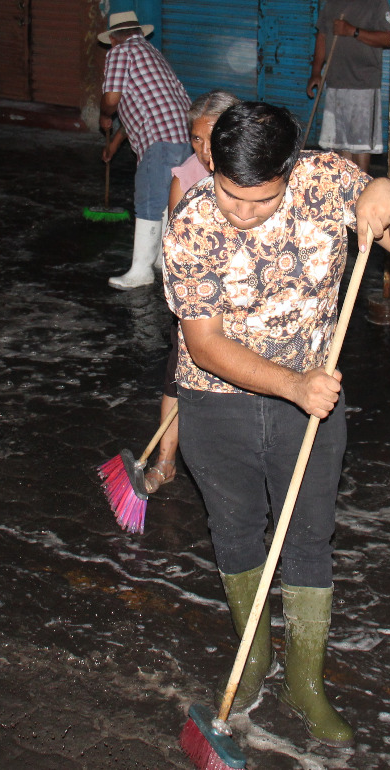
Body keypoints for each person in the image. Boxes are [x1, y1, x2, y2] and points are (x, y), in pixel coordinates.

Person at [163, 102, 390, 744]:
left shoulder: (328, 181)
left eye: (260, 200)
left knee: (309, 538)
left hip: (311, 406)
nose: (242, 212)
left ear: (292, 168)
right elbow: (204, 345)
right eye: (231, 194)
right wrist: (293, 385)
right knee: (234, 530)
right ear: (212, 164)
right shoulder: (192, 224)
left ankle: (306, 684)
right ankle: (253, 659)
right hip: (217, 401)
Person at [143, 89, 241, 496]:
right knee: (178, 380)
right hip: (199, 302)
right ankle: (165, 462)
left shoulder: (255, 170)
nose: (203, 150)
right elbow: (175, 251)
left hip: (250, 301)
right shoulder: (185, 177)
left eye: (211, 137)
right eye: (196, 139)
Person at [98, 10, 191, 290]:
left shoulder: (119, 53)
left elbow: (112, 99)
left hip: (160, 140)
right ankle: (163, 260)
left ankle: (141, 271)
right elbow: (141, 107)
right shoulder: (150, 53)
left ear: (114, 38)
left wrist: (104, 114)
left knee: (150, 200)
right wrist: (114, 144)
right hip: (186, 136)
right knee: (167, 199)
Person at [306, 0, 390, 174]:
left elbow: (389, 39)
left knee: (361, 145)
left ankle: (361, 189)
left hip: (364, 85)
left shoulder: (377, 1)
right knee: (340, 144)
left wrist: (352, 31)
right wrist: (316, 72)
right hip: (335, 82)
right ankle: (346, 190)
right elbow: (322, 38)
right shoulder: (332, 2)